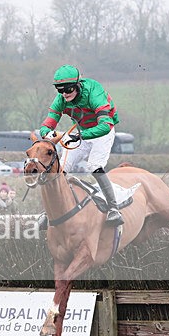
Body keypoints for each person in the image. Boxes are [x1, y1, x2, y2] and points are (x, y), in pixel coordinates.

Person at [38, 64, 123, 227]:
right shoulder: (61, 99)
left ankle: (114, 209)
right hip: (81, 133)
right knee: (59, 169)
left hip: (102, 132)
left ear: (77, 85)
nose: (64, 94)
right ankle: (48, 211)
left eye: (68, 90)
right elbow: (47, 124)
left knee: (94, 166)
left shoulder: (94, 91)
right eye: (60, 90)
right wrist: (48, 134)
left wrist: (81, 136)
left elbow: (106, 125)